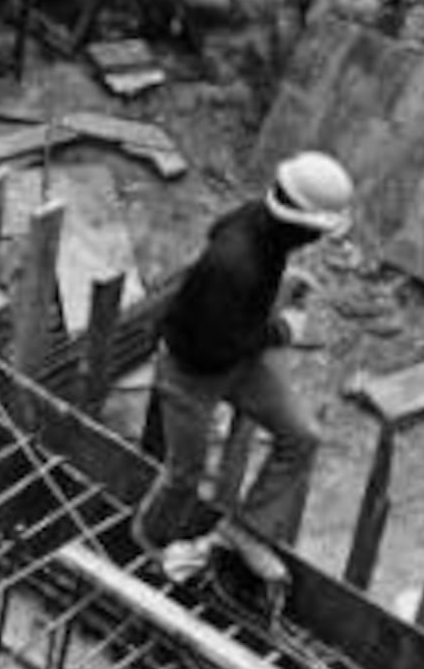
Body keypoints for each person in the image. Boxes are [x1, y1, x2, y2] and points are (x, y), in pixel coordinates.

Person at [134, 150, 354, 600]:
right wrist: (280, 330)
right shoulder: (234, 264)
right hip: (191, 369)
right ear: (301, 222)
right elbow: (214, 345)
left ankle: (244, 530)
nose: (316, 240)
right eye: (317, 231)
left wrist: (281, 284)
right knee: (184, 475)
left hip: (235, 357)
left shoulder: (260, 227)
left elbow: (224, 249)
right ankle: (145, 550)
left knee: (302, 436)